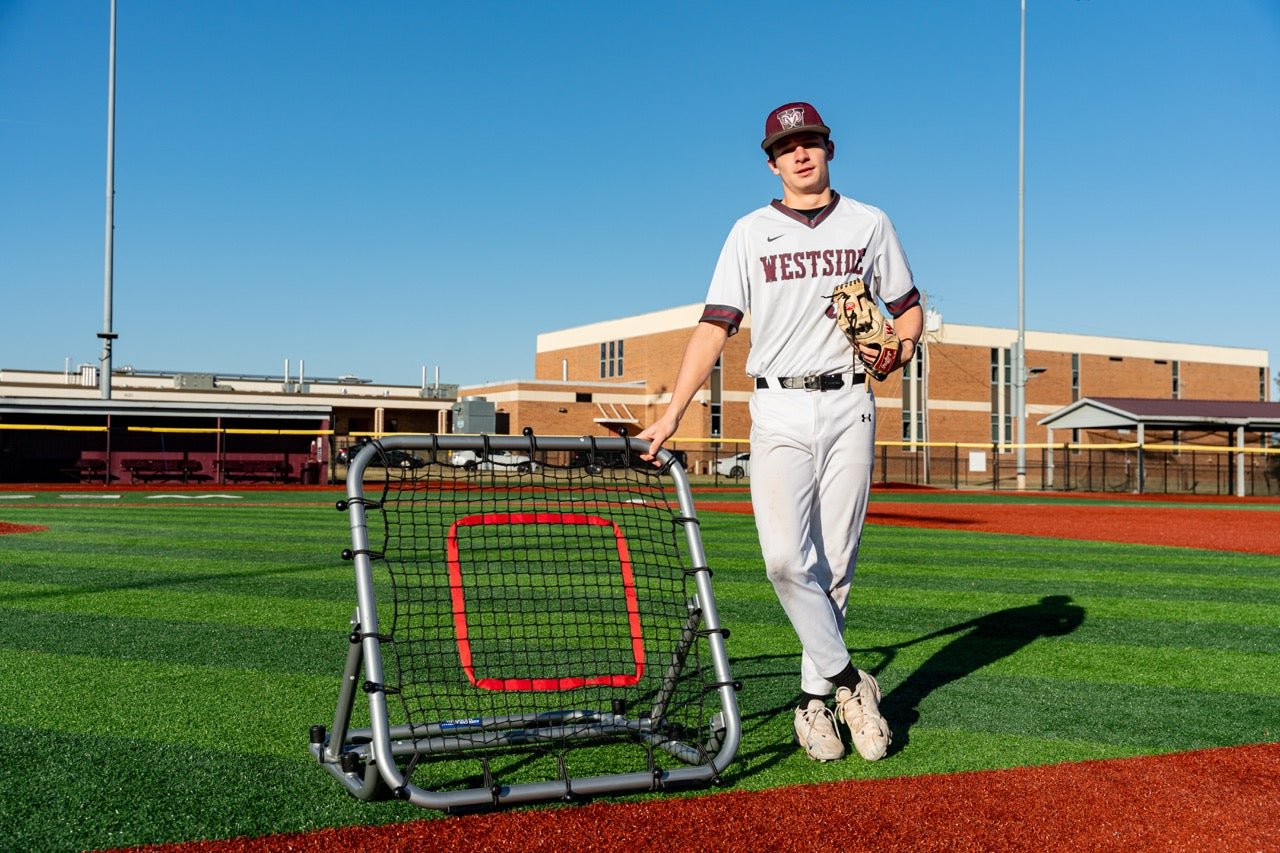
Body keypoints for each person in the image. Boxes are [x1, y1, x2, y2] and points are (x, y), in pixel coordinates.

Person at [638, 101, 923, 762]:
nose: (801, 154)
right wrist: (674, 409)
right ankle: (853, 682)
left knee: (838, 566)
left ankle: (813, 702)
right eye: (788, 146)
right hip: (778, 409)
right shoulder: (749, 232)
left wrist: (901, 349)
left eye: (812, 142)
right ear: (772, 161)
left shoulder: (869, 223)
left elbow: (907, 311)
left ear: (828, 149)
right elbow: (715, 326)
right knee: (787, 561)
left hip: (850, 403)